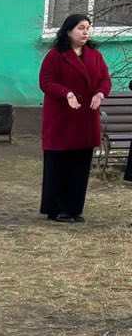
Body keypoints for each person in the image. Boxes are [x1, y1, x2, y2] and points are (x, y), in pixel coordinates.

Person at [39, 14, 111, 222]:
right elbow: (46, 82)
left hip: (86, 118)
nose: (85, 32)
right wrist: (66, 93)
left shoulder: (94, 55)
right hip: (62, 118)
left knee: (80, 166)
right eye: (80, 28)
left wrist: (99, 94)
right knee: (59, 165)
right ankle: (56, 209)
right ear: (69, 31)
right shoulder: (55, 55)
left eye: (87, 28)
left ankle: (74, 208)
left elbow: (105, 79)